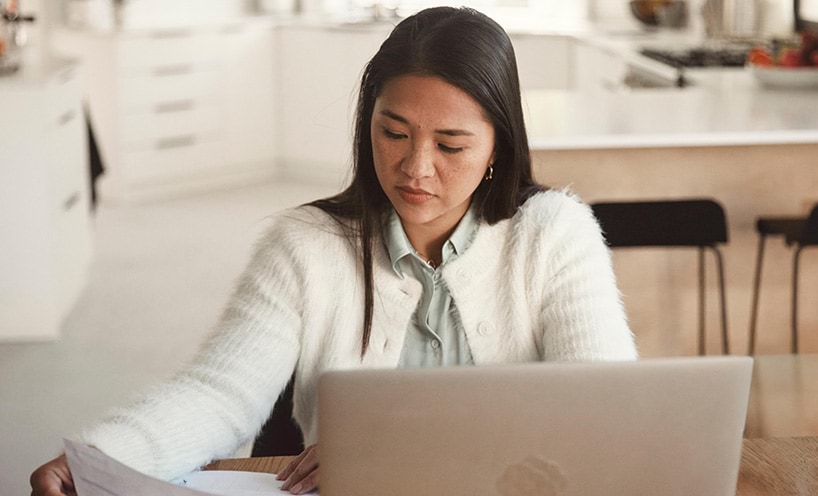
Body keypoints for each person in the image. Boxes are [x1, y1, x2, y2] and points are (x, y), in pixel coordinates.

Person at [30, 6, 637, 495]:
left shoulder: (555, 231)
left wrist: (410, 445)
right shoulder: (303, 245)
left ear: (498, 147)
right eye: (392, 132)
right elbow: (219, 392)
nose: (415, 167)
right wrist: (97, 458)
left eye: (451, 145)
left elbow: (604, 405)